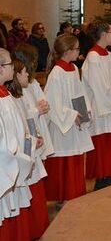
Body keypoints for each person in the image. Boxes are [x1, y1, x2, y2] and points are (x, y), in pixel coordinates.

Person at [44, 34, 94, 203]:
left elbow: (80, 93)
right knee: (65, 162)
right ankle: (64, 196)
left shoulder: (73, 69)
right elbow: (53, 103)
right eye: (77, 48)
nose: (79, 51)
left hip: (76, 120)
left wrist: (85, 111)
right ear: (67, 51)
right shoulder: (56, 73)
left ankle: (75, 194)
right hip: (63, 125)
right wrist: (72, 115)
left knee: (76, 158)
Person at [7, 58, 49, 240]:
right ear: (16, 74)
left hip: (28, 148)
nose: (28, 76)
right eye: (25, 72)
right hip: (21, 154)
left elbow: (25, 122)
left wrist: (35, 137)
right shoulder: (10, 99)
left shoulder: (16, 96)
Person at [82, 21, 111, 189]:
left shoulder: (109, 55)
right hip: (101, 108)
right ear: (103, 34)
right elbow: (98, 86)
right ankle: (102, 178)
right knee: (103, 144)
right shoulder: (93, 57)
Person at [0, 48, 33, 241]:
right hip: (7, 163)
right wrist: (19, 157)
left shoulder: (5, 94)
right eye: (11, 64)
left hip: (15, 158)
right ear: (1, 69)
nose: (14, 66)